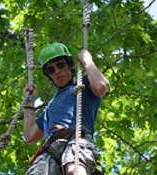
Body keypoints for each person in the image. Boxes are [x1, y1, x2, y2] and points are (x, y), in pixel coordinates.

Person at [23, 42, 109, 175]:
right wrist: (29, 100)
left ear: (69, 66)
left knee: (74, 170)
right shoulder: (50, 107)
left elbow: (101, 87)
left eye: (60, 65)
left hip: (75, 138)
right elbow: (29, 136)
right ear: (49, 76)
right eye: (51, 70)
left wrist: (87, 60)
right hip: (50, 148)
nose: (57, 71)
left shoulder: (83, 85)